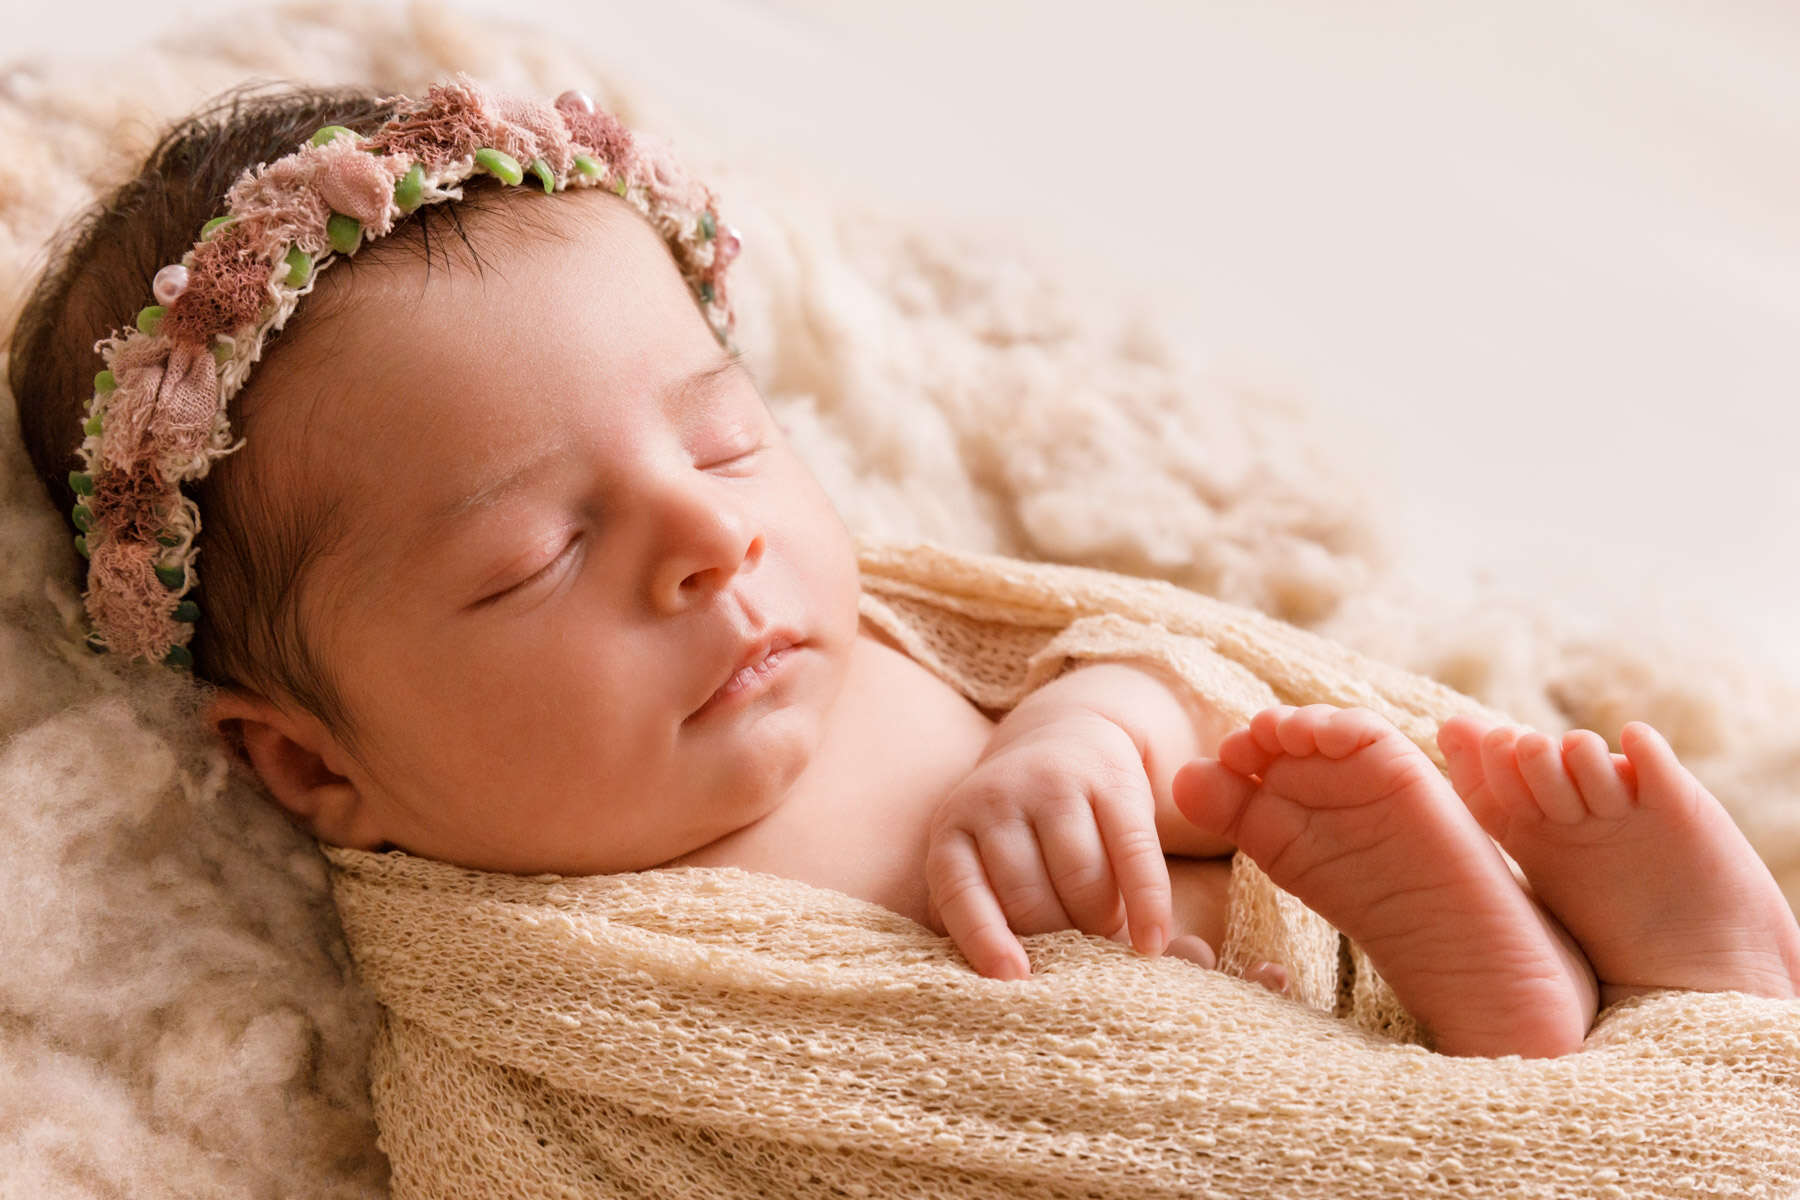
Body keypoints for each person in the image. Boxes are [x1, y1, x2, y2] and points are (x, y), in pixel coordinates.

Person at [12, 75, 1798, 1065]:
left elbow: (1151, 662)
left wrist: (1087, 730)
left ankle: (1608, 1006)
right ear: (321, 767)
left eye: (723, 443)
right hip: (1116, 1098)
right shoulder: (565, 1001)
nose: (714, 536)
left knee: (1308, 822)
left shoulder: (876, 644)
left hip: (1299, 956)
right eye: (537, 554)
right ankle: (1579, 1047)